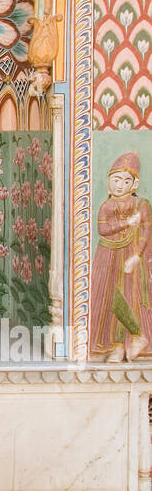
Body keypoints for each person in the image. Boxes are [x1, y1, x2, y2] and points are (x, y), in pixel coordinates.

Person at [90, 150, 152, 361]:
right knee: (108, 297)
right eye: (116, 180)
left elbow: (146, 231)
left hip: (131, 254)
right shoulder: (106, 206)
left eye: (126, 181)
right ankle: (116, 345)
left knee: (128, 295)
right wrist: (127, 222)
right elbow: (104, 230)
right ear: (108, 182)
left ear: (134, 185)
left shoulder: (140, 204)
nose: (120, 185)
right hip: (107, 254)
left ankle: (133, 340)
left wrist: (137, 256)